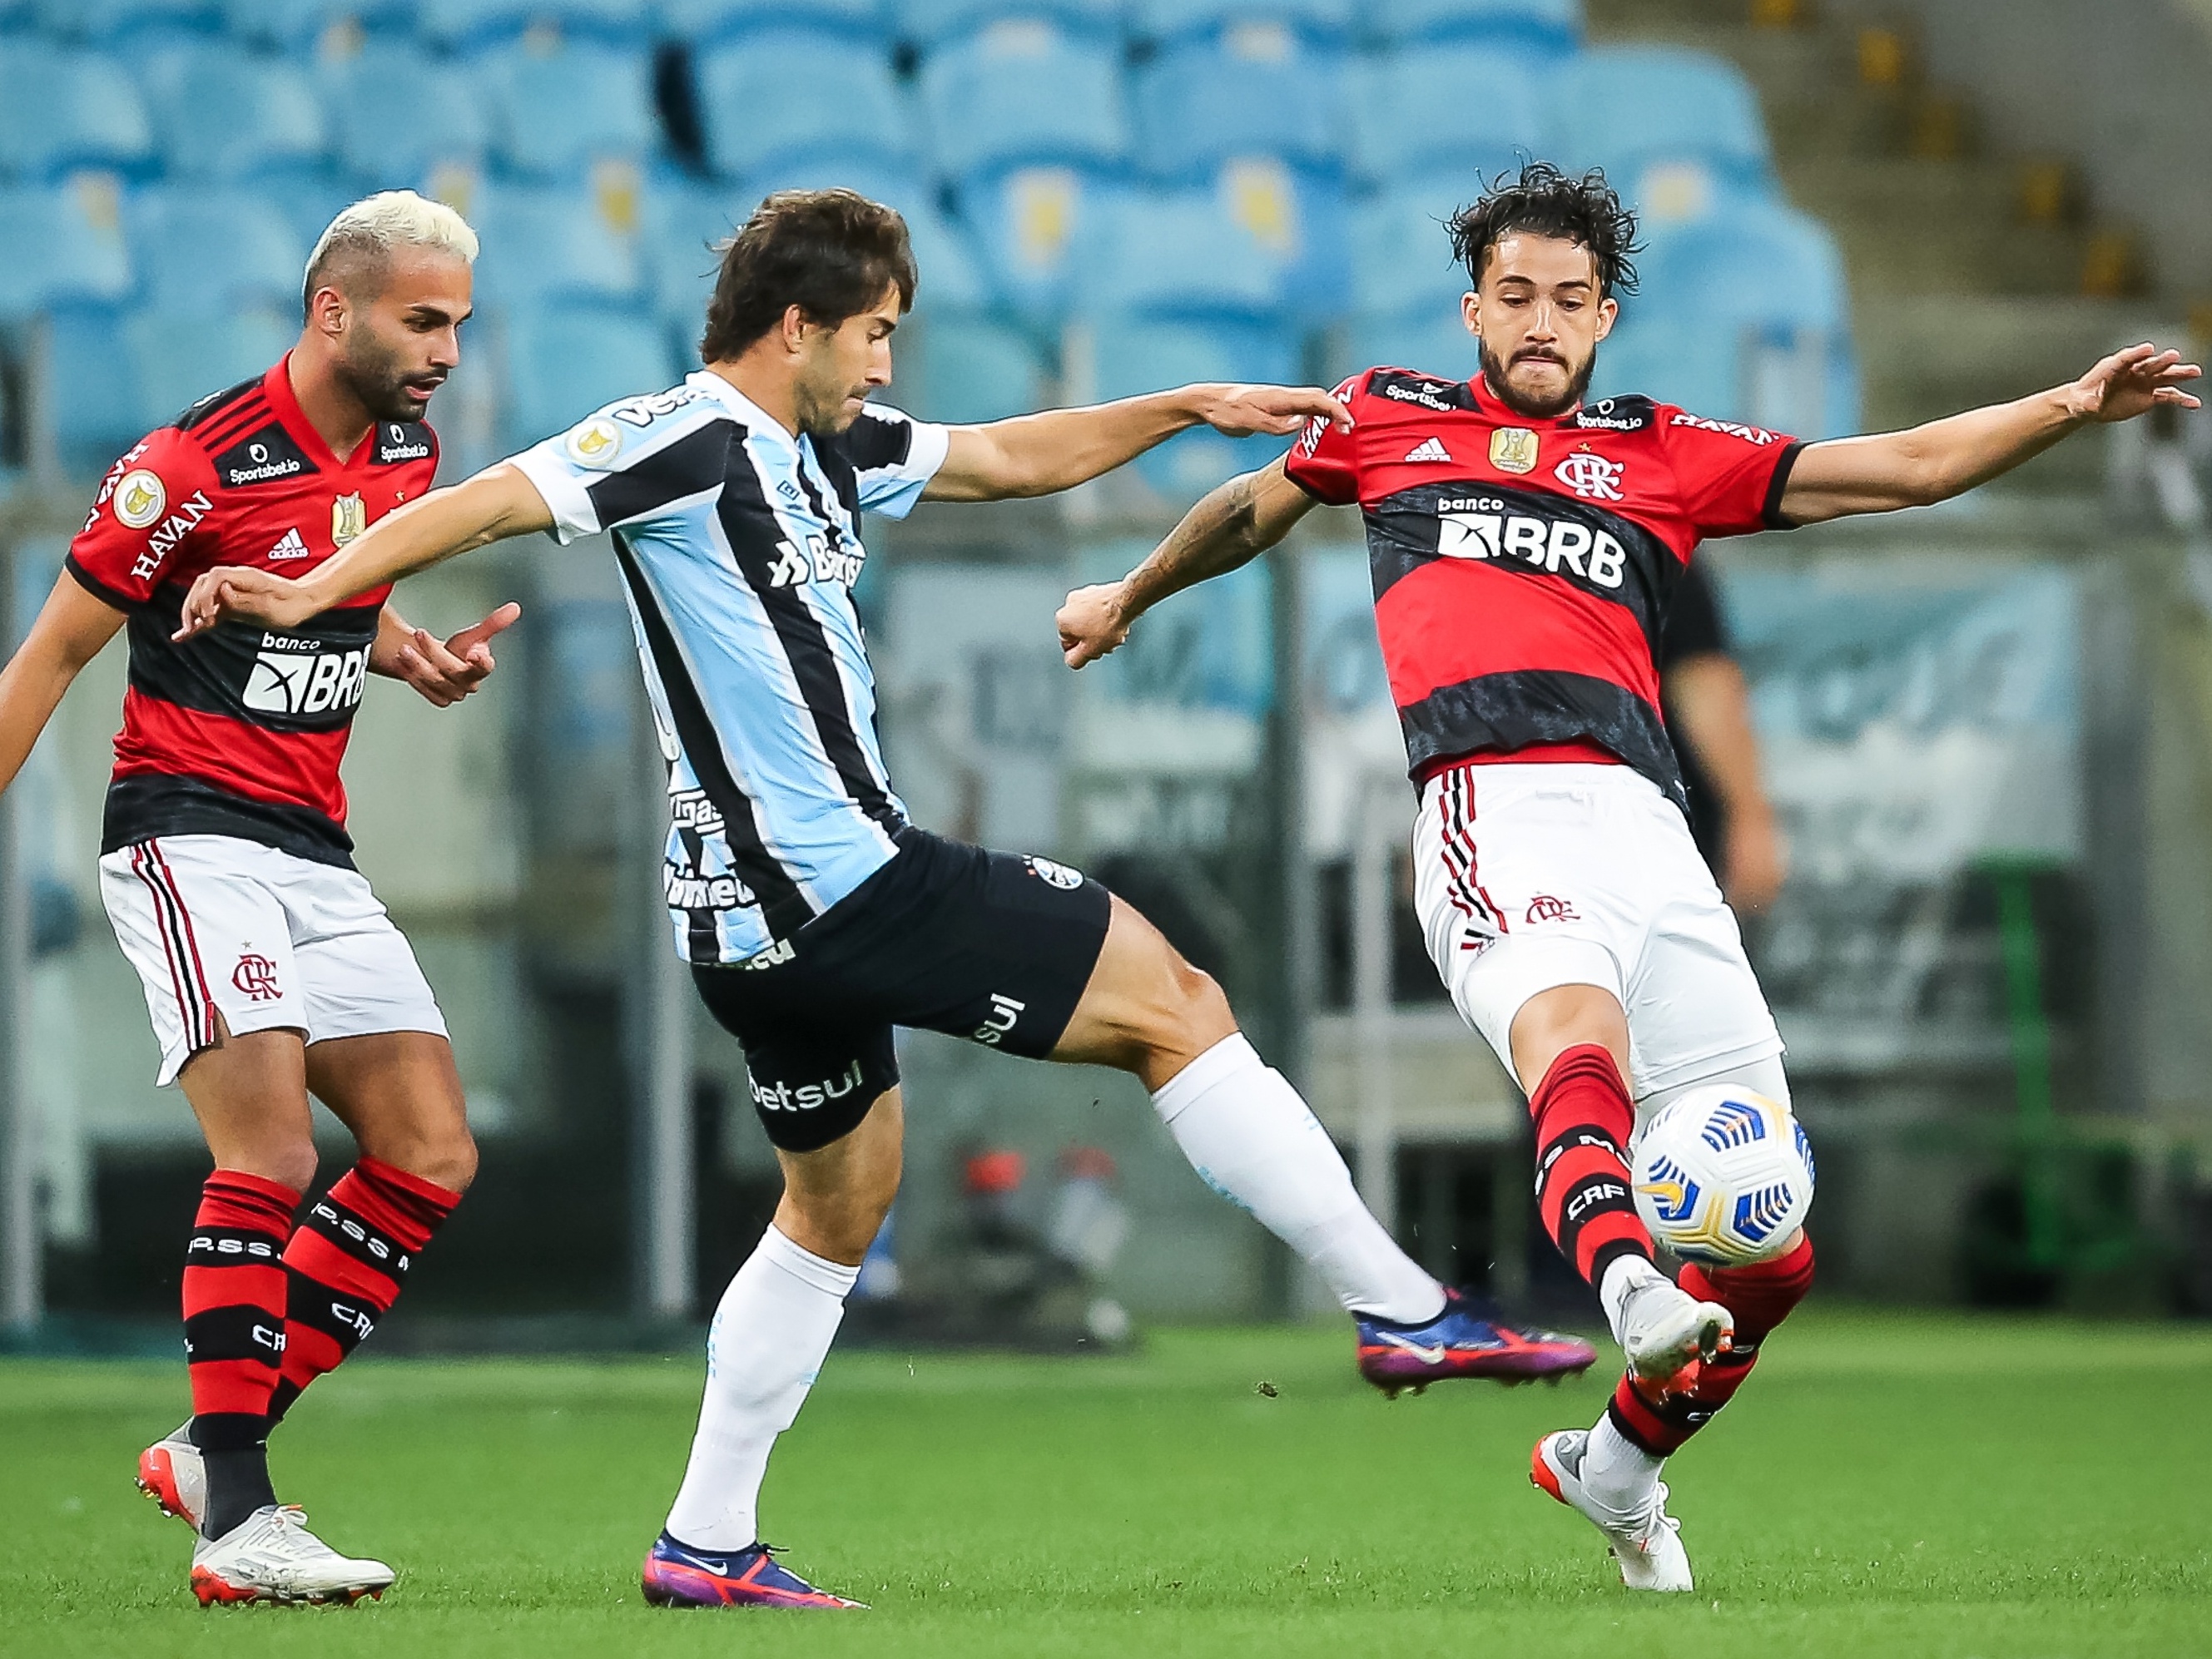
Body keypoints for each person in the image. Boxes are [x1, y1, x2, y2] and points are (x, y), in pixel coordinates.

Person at [169, 187, 1598, 1611]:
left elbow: (1003, 457)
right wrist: (310, 597)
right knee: (1177, 999)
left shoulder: (820, 443)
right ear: (795, 327)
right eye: (874, 335)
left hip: (757, 930)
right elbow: (490, 498)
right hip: (835, 881)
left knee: (834, 1209)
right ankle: (1403, 1308)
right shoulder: (678, 434)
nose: (886, 365)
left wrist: (1187, 402)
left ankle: (704, 1539)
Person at [1054, 161, 2200, 1592]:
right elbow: (1246, 507)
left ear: (1604, 320)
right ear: (1472, 305)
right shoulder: (1386, 417)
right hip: (1490, 807)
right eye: (1517, 295)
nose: (1542, 320)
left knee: (1772, 1248)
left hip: (1649, 837)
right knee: (1569, 1043)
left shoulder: (1662, 454)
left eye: (1572, 300)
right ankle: (1627, 1284)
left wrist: (2062, 408)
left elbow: (1892, 468)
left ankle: (1614, 1464)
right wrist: (1123, 594)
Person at [0, 191, 519, 1605]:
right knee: (272, 1150)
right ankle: (239, 1514)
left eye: (459, 325)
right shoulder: (189, 465)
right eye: (424, 321)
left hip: (312, 845)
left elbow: (335, 588)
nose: (445, 353)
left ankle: (206, 1439)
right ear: (333, 308)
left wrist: (406, 651)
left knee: (427, 1149)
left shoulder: (408, 447)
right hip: (185, 834)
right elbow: (50, 654)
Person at [1659, 557, 1786, 913]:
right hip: (1660, 828)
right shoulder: (1643, 537)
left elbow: (1703, 681)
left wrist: (1749, 819)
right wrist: (1750, 818)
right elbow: (1705, 682)